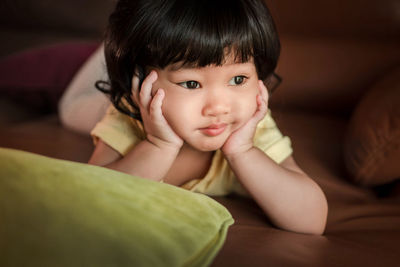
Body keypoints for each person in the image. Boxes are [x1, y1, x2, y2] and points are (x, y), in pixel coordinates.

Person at [59, 0, 328, 235]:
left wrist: (243, 152)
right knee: (71, 111)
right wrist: (158, 145)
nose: (219, 108)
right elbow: (90, 202)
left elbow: (313, 220)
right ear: (143, 83)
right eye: (191, 84)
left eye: (238, 79)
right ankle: (101, 57)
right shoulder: (128, 117)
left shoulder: (251, 126)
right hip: (107, 101)